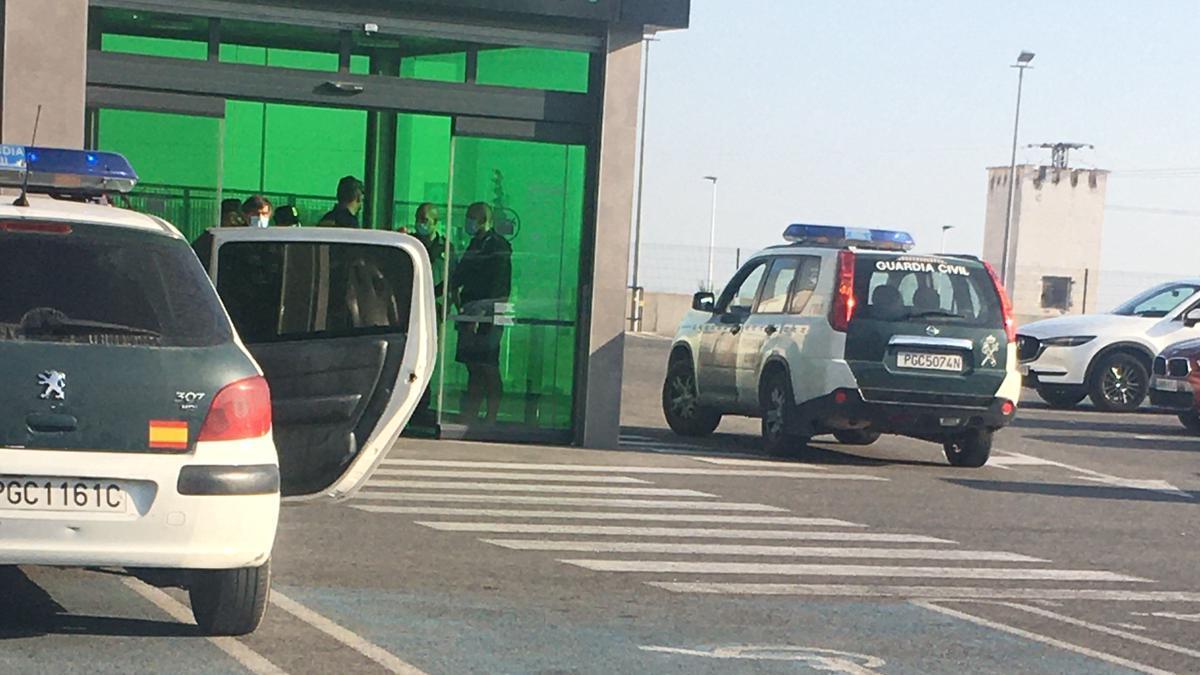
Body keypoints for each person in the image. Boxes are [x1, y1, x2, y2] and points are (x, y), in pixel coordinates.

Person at [450, 202, 512, 424]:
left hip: (489, 314)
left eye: (471, 217)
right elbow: (459, 276)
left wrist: (480, 314)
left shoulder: (498, 245)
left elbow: (499, 287)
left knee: (488, 365)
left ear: (483, 219)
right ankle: (471, 413)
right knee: (473, 366)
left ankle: (492, 416)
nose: (468, 222)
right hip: (471, 313)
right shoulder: (474, 244)